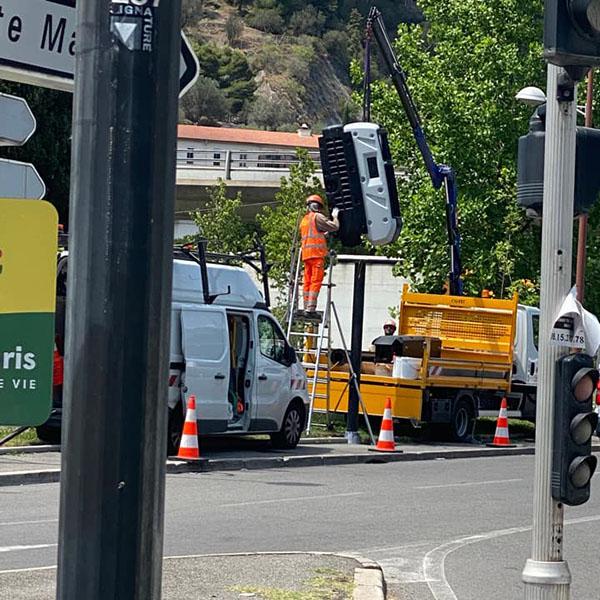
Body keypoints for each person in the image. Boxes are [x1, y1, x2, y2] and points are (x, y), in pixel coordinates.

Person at [299, 194, 339, 317]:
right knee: (316, 281)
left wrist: (323, 235)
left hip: (307, 256)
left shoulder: (304, 220)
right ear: (317, 207)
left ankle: (306, 306)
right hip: (316, 255)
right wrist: (335, 217)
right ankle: (311, 309)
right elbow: (335, 227)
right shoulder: (318, 217)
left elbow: (313, 233)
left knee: (307, 281)